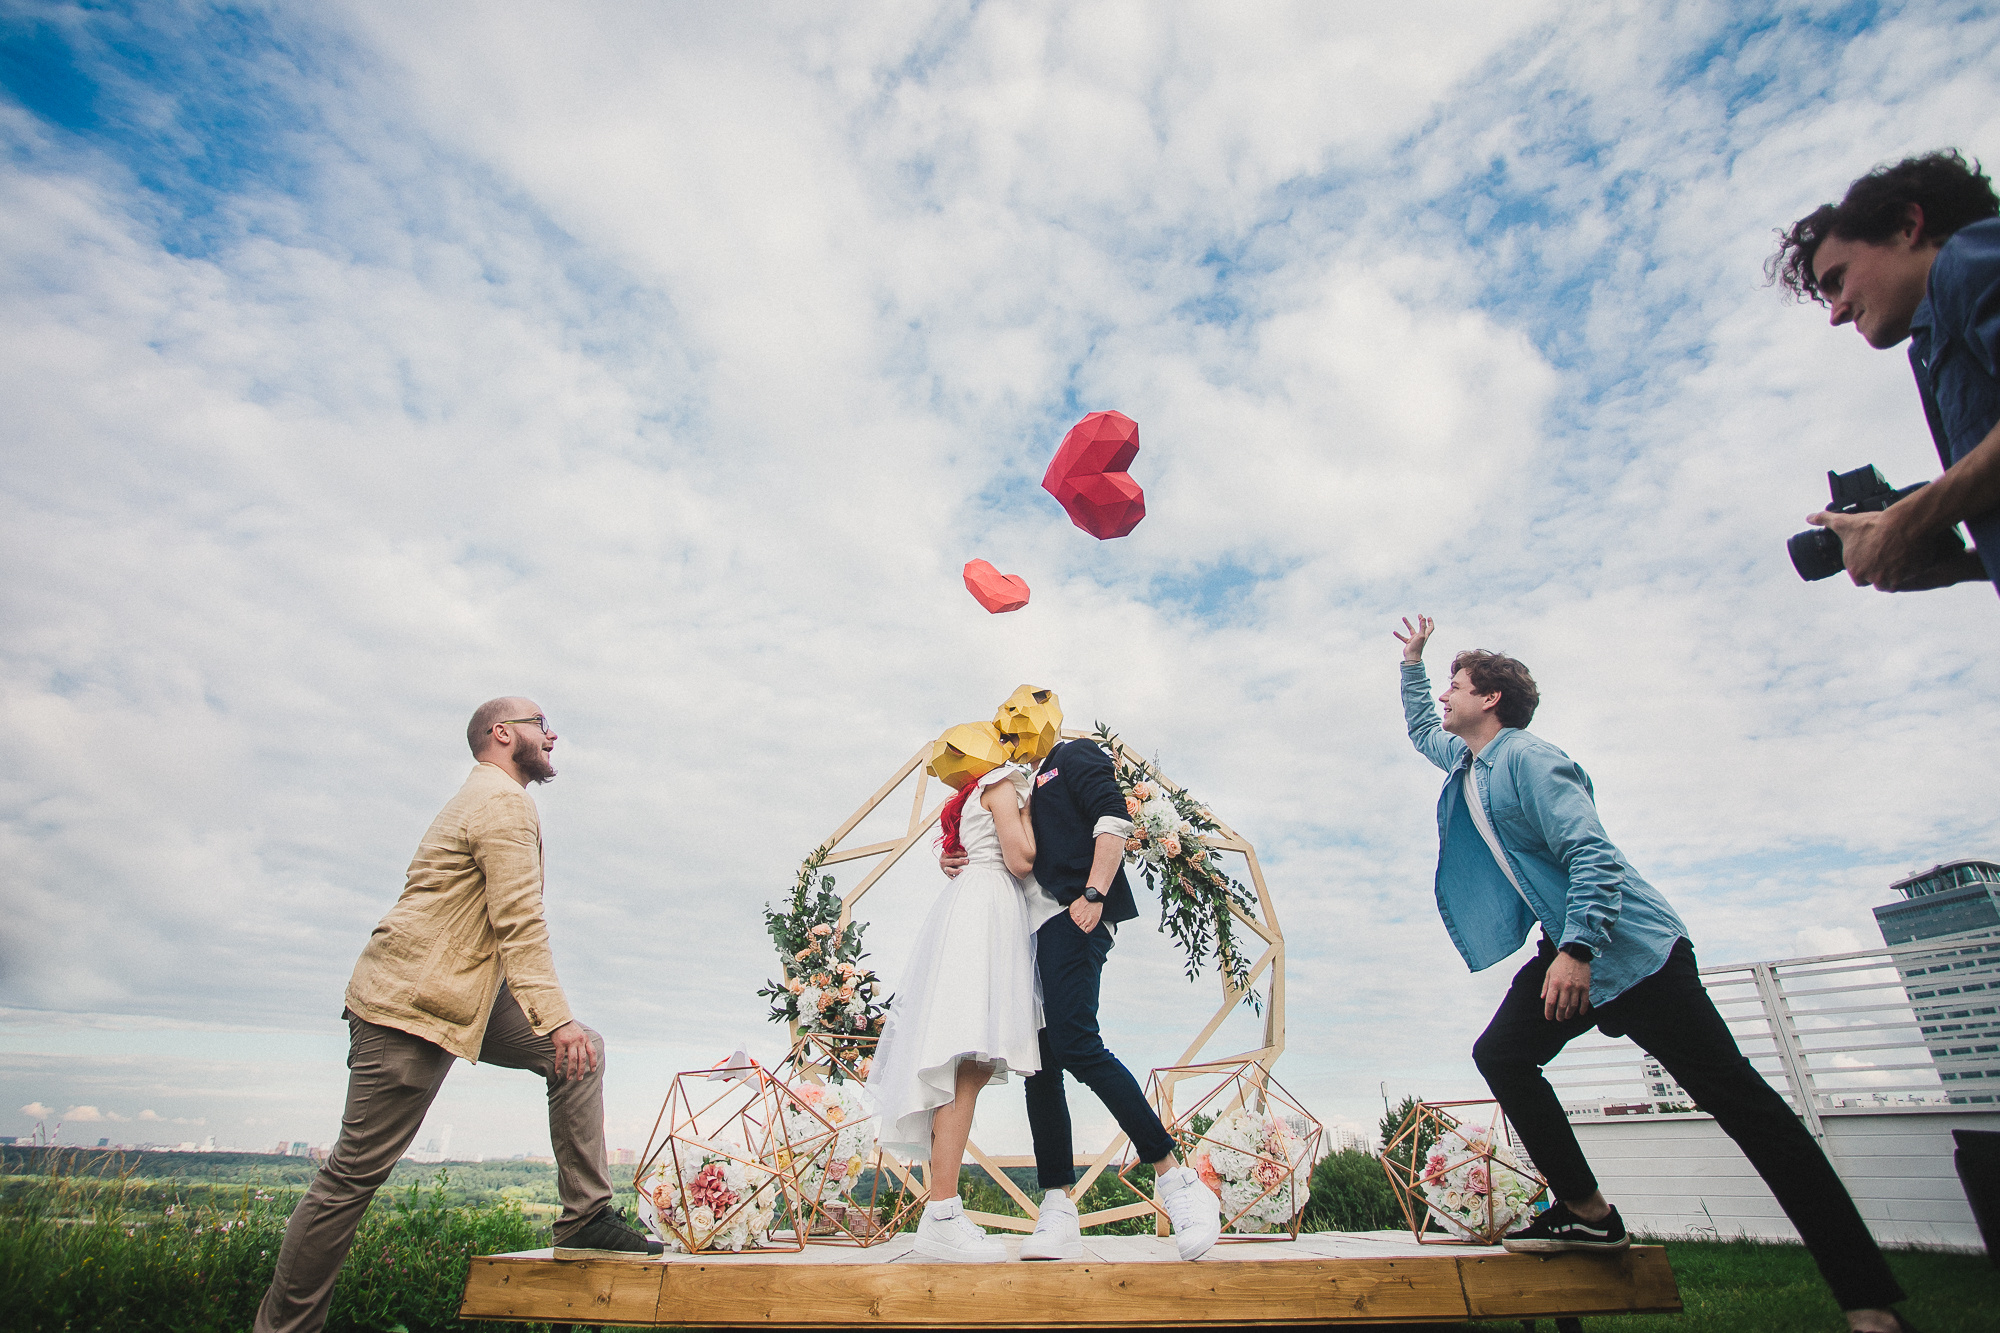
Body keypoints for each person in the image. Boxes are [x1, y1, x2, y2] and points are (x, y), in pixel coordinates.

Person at [1392, 618, 1912, 1333]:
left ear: (1491, 699)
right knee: (1503, 1053)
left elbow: (1591, 853)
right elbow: (1423, 730)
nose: (1445, 696)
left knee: (1748, 1110)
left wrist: (1578, 947)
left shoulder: (1530, 759)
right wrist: (1414, 665)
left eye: (1455, 685)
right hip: (1570, 947)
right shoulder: (1468, 762)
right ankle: (1589, 1214)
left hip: (1631, 950)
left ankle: (1870, 1305)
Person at [254, 698, 654, 1333]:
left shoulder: (494, 799)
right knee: (351, 1179)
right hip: (408, 1005)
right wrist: (556, 1019)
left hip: (461, 992)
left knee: (581, 1054)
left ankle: (585, 1217)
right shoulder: (501, 802)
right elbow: (518, 921)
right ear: (503, 733)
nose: (552, 735)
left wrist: (559, 1030)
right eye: (540, 724)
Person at [942, 686, 1223, 1263]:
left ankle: (1178, 1181)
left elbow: (1112, 816)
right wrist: (955, 855)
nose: (1011, 723)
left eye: (1020, 713)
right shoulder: (1014, 783)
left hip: (1072, 914)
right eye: (1004, 718)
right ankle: (1057, 1207)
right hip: (1022, 934)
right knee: (1039, 1066)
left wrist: (1095, 892)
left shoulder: (1074, 755)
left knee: (1076, 1042)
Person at [1770, 148, 2000, 594]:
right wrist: (1961, 568)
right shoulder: (1931, 347)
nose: (1836, 313)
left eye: (1839, 280)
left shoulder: (1966, 258)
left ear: (1908, 227)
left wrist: (1906, 522)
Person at [865, 737, 1043, 1263]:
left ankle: (942, 1208)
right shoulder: (1004, 784)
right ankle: (941, 1212)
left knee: (969, 1065)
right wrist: (1033, 814)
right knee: (965, 1064)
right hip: (988, 908)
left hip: (973, 906)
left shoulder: (974, 792)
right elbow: (1021, 859)